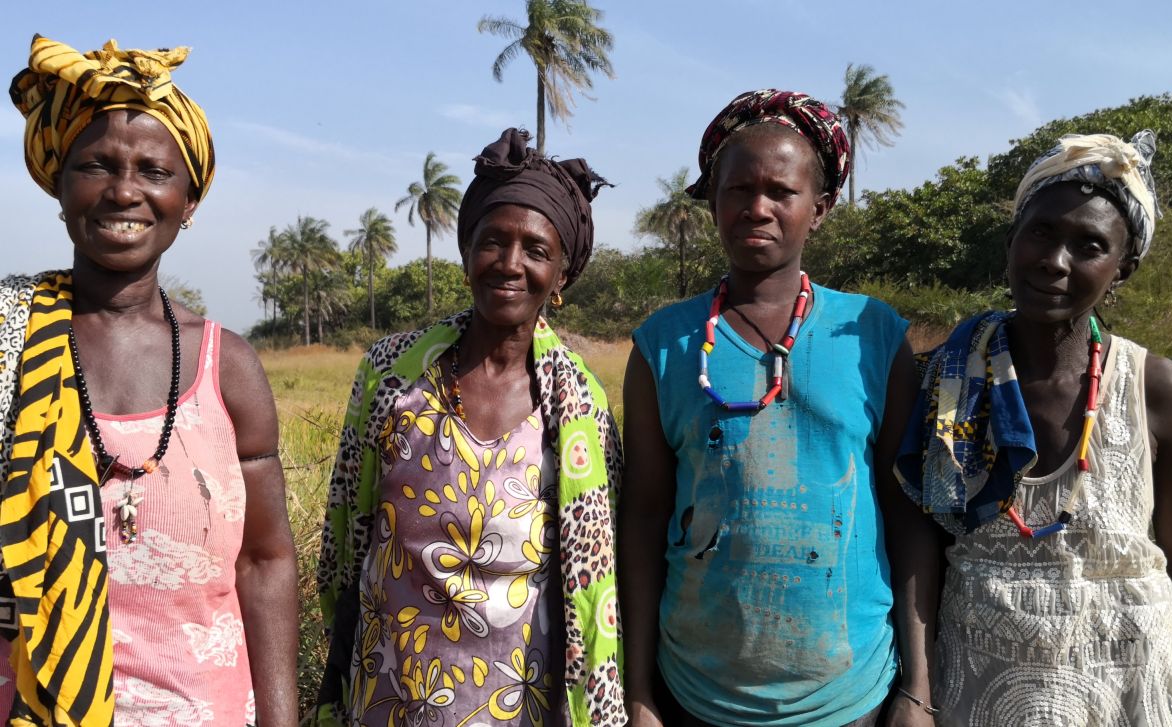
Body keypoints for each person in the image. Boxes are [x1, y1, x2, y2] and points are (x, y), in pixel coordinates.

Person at [0, 35, 297, 725]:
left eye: (152, 171)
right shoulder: (11, 345)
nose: (124, 190)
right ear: (60, 184)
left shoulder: (228, 366)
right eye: (96, 165)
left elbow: (265, 560)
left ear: (188, 199)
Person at [619, 89, 940, 727]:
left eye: (780, 192)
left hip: (849, 697)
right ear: (713, 201)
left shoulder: (872, 335)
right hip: (695, 696)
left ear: (818, 209)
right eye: (737, 189)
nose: (756, 208)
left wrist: (918, 689)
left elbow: (906, 516)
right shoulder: (663, 346)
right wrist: (639, 693)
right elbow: (645, 519)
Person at [316, 127, 626, 727]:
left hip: (521, 706)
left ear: (560, 276)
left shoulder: (580, 403)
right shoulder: (390, 376)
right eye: (493, 242)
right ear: (466, 255)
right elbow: (345, 543)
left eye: (536, 251)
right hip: (390, 695)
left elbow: (596, 580)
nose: (511, 264)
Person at [896, 131, 1172, 725]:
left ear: (1123, 268)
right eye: (1040, 232)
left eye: (1088, 245)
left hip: (1130, 693)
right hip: (977, 691)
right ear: (1011, 240)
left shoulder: (1158, 389)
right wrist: (916, 692)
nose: (1054, 261)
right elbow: (917, 552)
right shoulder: (944, 382)